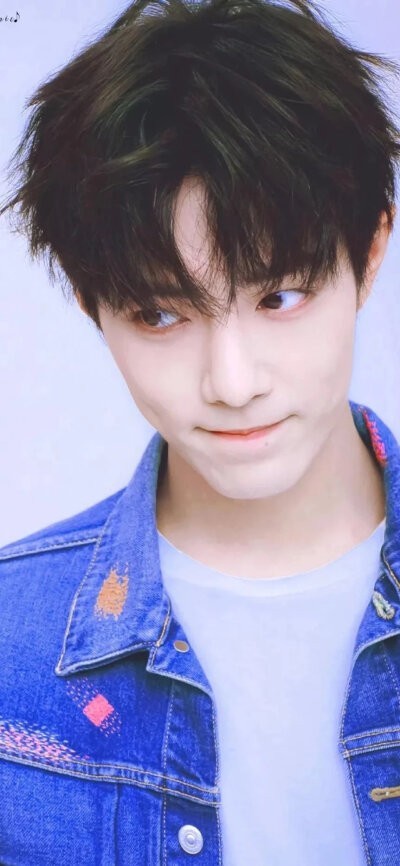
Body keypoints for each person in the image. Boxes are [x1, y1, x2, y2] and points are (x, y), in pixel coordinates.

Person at [0, 0, 399, 863]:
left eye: (279, 296)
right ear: (92, 305)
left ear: (369, 254)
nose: (232, 382)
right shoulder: (10, 645)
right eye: (161, 314)